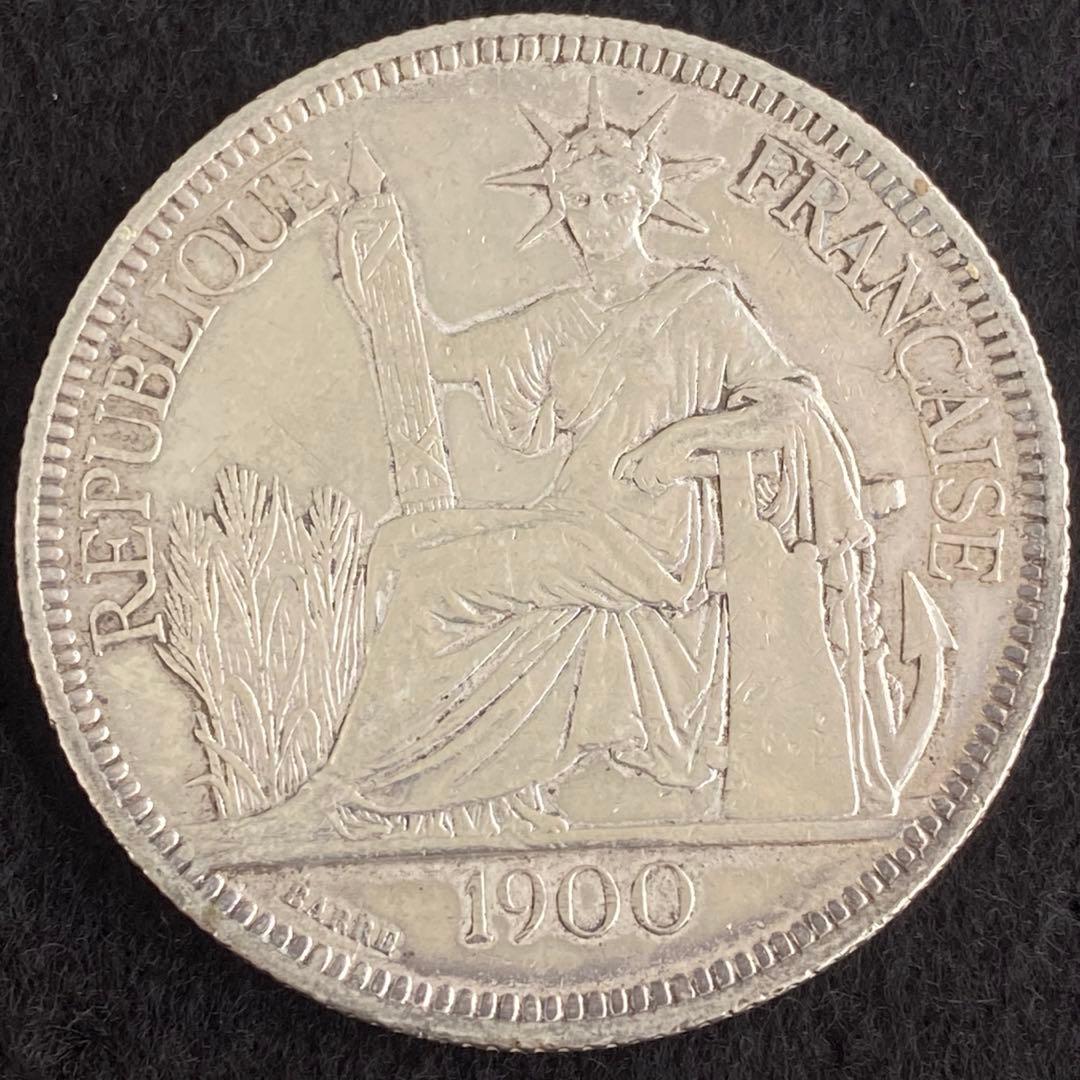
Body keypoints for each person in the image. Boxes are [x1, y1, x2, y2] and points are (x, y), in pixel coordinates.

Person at [252, 80, 900, 842]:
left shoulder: (700, 304)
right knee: (400, 546)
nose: (597, 215)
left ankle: (349, 792)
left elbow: (791, 405)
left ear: (645, 199)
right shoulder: (560, 318)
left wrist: (682, 441)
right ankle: (460, 787)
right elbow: (439, 357)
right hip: (574, 521)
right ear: (560, 209)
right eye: (580, 200)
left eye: (613, 196)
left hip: (648, 543)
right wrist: (379, 276)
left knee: (433, 581)